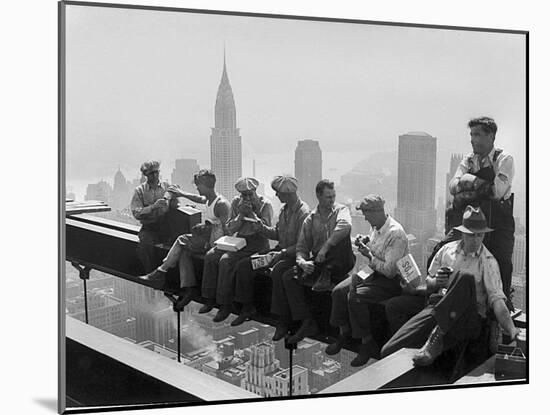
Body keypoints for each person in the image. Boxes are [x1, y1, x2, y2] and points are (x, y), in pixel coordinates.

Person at [381, 206, 520, 367]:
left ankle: (436, 338)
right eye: (471, 235)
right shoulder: (446, 251)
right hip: (438, 308)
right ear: (463, 234)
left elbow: (498, 301)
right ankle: (426, 346)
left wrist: (511, 329)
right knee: (388, 350)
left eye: (479, 235)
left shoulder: (488, 262)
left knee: (465, 278)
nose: (476, 240)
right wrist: (437, 282)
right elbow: (430, 283)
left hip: (467, 317)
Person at [326, 195, 409, 366]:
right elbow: (376, 251)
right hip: (371, 271)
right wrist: (366, 243)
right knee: (339, 291)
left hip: (389, 281)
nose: (365, 217)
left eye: (367, 213)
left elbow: (390, 271)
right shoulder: (376, 227)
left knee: (355, 296)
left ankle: (367, 342)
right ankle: (343, 332)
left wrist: (368, 254)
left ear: (378, 212)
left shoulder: (396, 233)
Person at [441, 117, 515, 305]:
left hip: (498, 222)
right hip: (470, 220)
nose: (472, 139)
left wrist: (469, 182)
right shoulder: (469, 159)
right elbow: (452, 186)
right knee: (442, 249)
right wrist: (478, 185)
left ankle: (501, 309)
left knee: (501, 263)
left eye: (477, 134)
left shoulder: (504, 159)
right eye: (471, 135)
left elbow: (496, 192)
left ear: (490, 136)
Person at [139, 170, 231, 307]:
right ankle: (189, 289)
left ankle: (161, 271)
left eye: (198, 185)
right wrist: (181, 193)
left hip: (214, 244)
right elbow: (199, 199)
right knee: (184, 252)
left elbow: (226, 230)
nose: (197, 188)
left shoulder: (221, 204)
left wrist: (206, 227)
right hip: (207, 238)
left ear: (205, 185)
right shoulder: (211, 198)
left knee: (182, 239)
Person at [229, 175, 310, 327]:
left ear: (287, 194)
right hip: (280, 252)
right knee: (245, 266)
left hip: (293, 256)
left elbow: (302, 245)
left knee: (278, 272)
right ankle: (247, 307)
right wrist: (260, 227)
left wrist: (283, 253)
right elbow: (277, 234)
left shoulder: (303, 213)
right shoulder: (284, 209)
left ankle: (282, 319)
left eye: (278, 192)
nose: (276, 195)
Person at [285, 179, 356, 345]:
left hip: (340, 259)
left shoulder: (341, 210)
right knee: (290, 277)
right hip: (321, 261)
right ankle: (306, 320)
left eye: (333, 196)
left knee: (341, 238)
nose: (331, 200)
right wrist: (302, 262)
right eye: (327, 197)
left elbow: (345, 226)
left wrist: (326, 247)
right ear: (318, 196)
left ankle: (327, 273)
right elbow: (302, 247)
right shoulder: (311, 219)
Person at [200, 177, 273, 322]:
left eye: (249, 194)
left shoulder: (265, 205)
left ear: (255, 192)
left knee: (226, 261)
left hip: (257, 244)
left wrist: (251, 214)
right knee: (210, 256)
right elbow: (229, 229)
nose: (246, 198)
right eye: (243, 195)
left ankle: (225, 303)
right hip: (238, 240)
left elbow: (266, 231)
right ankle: (209, 297)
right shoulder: (235, 202)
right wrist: (240, 215)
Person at [131, 160, 171, 273]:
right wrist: (153, 207)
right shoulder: (140, 191)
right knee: (145, 248)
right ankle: (152, 274)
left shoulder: (166, 187)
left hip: (166, 226)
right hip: (149, 228)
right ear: (145, 175)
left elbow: (175, 203)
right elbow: (136, 212)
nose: (155, 175)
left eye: (156, 172)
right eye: (151, 173)